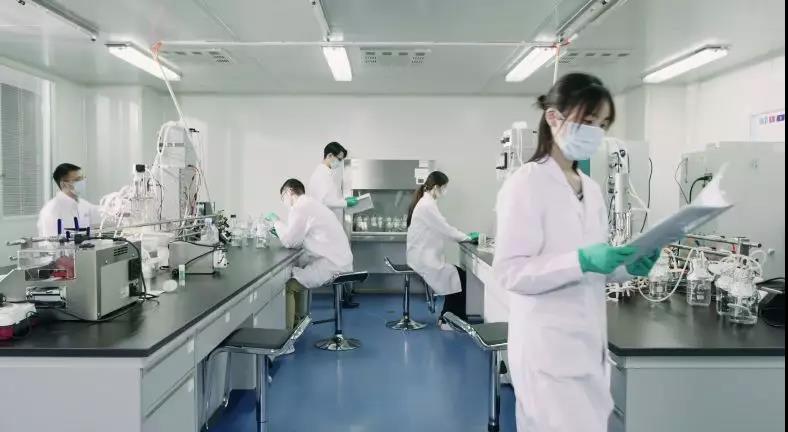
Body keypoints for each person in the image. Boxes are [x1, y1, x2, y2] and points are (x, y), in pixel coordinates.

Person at [493, 73, 659, 432]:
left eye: (603, 124)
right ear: (554, 118)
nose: (596, 132)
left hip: (588, 347)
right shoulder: (526, 183)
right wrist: (580, 260)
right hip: (547, 351)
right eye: (588, 121)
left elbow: (594, 268)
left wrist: (628, 267)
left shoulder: (592, 189)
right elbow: (510, 272)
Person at [266, 179, 353, 338]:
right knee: (299, 273)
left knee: (290, 285)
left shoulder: (300, 207)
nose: (284, 202)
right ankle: (298, 325)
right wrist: (282, 232)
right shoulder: (311, 204)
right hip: (340, 260)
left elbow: (291, 241)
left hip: (331, 265)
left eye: (283, 197)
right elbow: (299, 237)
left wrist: (276, 221)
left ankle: (288, 338)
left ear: (289, 192)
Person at [406, 171, 478, 331]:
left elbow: (442, 227)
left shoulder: (427, 202)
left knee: (457, 276)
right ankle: (449, 321)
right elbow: (445, 229)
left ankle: (445, 318)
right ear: (436, 187)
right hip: (423, 259)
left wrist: (464, 236)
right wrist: (467, 237)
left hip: (423, 256)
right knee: (460, 278)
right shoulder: (427, 205)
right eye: (444, 187)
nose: (445, 191)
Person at [307, 141, 360, 308]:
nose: (339, 162)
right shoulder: (321, 175)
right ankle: (343, 298)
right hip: (326, 228)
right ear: (329, 155)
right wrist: (345, 202)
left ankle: (344, 297)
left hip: (329, 226)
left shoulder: (325, 174)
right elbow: (325, 201)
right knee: (341, 261)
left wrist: (343, 201)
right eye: (339, 159)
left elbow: (329, 198)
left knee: (341, 261)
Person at [37, 163, 102, 237]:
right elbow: (50, 241)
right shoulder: (51, 210)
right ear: (63, 184)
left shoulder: (83, 204)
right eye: (77, 179)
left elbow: (103, 214)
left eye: (83, 178)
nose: (83, 182)